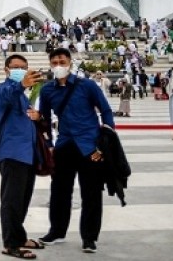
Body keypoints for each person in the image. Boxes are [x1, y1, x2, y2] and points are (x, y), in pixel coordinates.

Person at [39, 48, 115, 254]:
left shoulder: (87, 86)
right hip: (64, 145)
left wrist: (105, 142)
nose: (58, 66)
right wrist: (49, 145)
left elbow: (105, 111)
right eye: (54, 62)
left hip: (90, 146)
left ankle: (89, 237)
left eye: (61, 61)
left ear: (70, 63)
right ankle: (57, 231)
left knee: (91, 193)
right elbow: (44, 120)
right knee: (59, 191)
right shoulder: (47, 90)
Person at [0, 54, 44, 259]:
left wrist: (38, 116)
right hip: (12, 152)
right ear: (7, 70)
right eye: (16, 67)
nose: (21, 70)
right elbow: (8, 96)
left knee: (23, 198)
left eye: (24, 67)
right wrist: (21, 84)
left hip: (27, 153)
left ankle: (19, 236)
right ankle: (10, 244)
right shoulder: (2, 89)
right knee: (11, 200)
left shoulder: (23, 94)